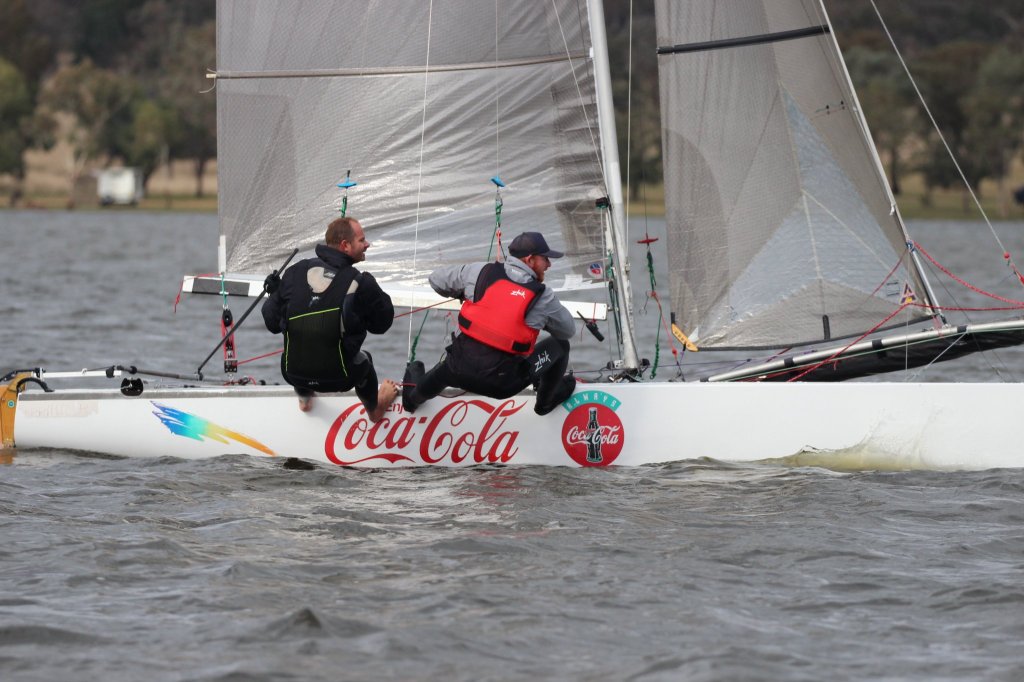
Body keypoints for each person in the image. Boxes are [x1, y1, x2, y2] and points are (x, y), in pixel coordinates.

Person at [402, 231, 577, 416]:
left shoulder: (479, 271)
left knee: (445, 371)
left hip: (457, 370)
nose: (549, 264)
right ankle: (545, 403)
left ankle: (411, 401)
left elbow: (436, 279)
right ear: (530, 260)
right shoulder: (543, 296)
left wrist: (464, 293)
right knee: (561, 345)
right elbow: (567, 331)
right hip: (501, 385)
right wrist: (541, 321)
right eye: (545, 259)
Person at [261, 216, 399, 420]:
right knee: (365, 359)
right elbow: (381, 326)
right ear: (345, 245)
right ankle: (374, 410)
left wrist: (275, 292)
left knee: (300, 348)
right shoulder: (360, 282)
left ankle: (305, 399)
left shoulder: (294, 273)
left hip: (293, 375)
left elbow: (271, 323)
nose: (367, 244)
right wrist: (370, 296)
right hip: (340, 378)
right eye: (362, 240)